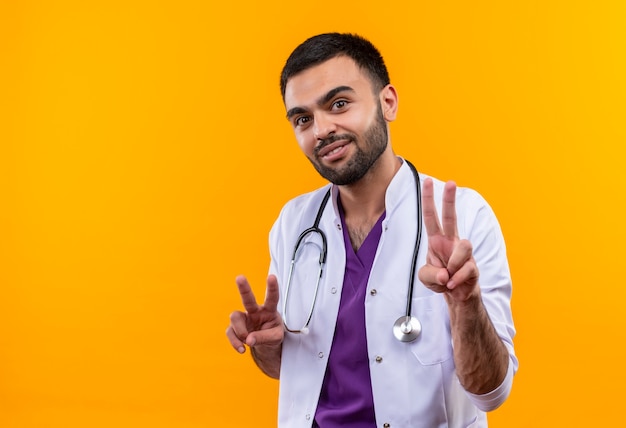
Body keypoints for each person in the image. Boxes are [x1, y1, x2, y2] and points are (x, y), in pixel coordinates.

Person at [226, 32, 517, 427]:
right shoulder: (293, 224)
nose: (321, 130)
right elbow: (292, 372)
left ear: (388, 103)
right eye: (303, 119)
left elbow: (491, 392)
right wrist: (269, 345)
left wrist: (466, 304)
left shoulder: (467, 216)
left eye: (339, 104)